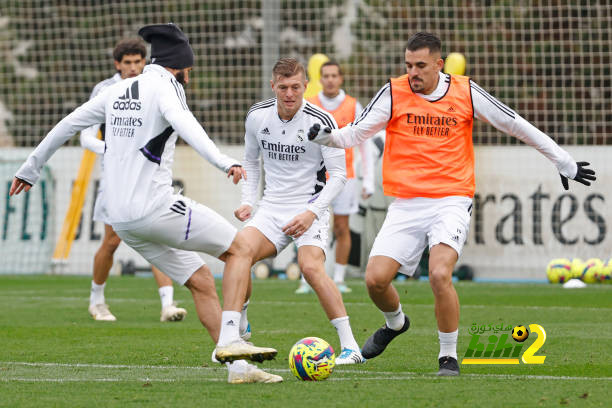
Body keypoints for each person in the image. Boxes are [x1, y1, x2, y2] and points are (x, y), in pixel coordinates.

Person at [307, 32, 596, 375]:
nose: (412, 73)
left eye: (420, 66)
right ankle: (396, 322)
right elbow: (355, 133)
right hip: (407, 201)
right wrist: (328, 136)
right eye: (408, 65)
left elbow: (515, 124)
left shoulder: (466, 91)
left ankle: (448, 356)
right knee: (375, 281)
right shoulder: (393, 92)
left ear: (439, 65)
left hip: (451, 198)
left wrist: (563, 161)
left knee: (440, 273)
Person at [10, 23, 280, 384]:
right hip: (156, 208)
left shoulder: (117, 90)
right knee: (241, 249)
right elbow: (186, 124)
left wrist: (30, 168)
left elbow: (68, 124)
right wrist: (224, 162)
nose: (190, 74)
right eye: (189, 69)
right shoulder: (167, 87)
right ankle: (235, 334)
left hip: (122, 219)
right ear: (180, 66)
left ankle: (237, 370)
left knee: (201, 280)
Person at [233, 57, 365, 365]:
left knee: (310, 268)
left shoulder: (322, 121)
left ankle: (351, 347)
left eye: (295, 87)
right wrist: (248, 202)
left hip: (309, 206)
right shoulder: (257, 116)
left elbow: (339, 175)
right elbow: (250, 161)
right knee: (239, 253)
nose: (289, 93)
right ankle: (240, 330)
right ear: (273, 86)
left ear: (306, 86)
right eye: (283, 87)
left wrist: (312, 212)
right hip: (270, 208)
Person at [80, 38, 187, 323]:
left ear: (145, 62)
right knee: (112, 242)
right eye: (127, 62)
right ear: (118, 64)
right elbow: (85, 135)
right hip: (116, 180)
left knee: (157, 235)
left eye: (137, 61)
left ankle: (167, 304)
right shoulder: (105, 90)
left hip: (149, 178)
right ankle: (97, 300)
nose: (132, 67)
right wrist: (111, 149)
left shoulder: (153, 89)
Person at [295, 60, 374, 294]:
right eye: (326, 76)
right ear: (320, 79)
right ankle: (305, 278)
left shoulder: (352, 105)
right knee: (307, 225)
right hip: (316, 177)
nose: (330, 79)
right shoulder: (310, 104)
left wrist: (367, 179)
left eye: (334, 75)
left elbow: (364, 143)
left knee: (342, 227)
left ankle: (339, 278)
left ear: (341, 79)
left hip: (345, 177)